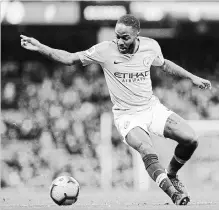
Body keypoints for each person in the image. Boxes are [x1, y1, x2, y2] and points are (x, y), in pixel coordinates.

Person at [20, 14, 211, 205]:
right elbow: (70, 58)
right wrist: (40, 47)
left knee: (191, 139)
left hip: (152, 108)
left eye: (125, 37)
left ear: (137, 34)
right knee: (146, 148)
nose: (119, 41)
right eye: (117, 36)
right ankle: (174, 194)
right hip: (127, 116)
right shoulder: (104, 50)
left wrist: (192, 77)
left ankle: (172, 174)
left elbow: (163, 64)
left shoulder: (150, 46)